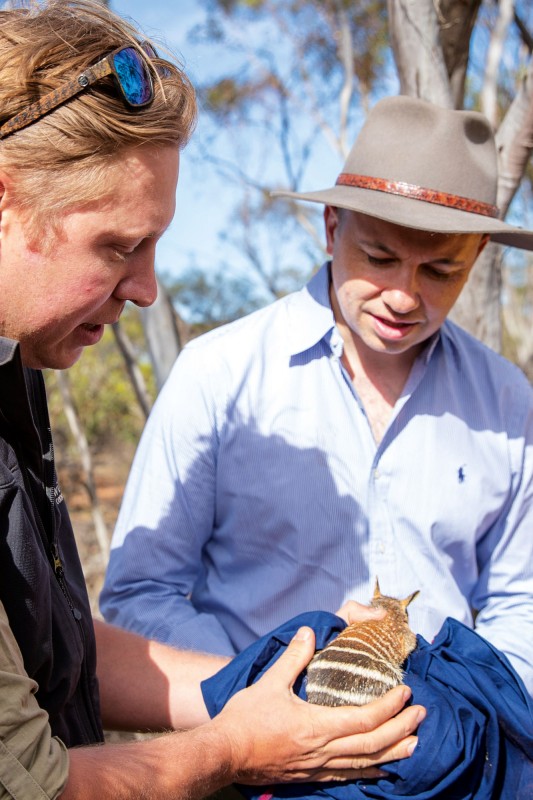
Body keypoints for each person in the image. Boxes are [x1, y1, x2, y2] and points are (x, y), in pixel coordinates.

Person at [0, 4, 426, 799]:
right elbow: (31, 785)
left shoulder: (17, 369)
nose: (147, 288)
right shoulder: (215, 370)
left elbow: (50, 642)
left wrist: (266, 685)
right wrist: (232, 750)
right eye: (118, 246)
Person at [101, 94, 533, 699]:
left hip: (447, 763)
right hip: (251, 768)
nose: (404, 297)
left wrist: (473, 715)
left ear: (478, 257)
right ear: (333, 229)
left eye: (440, 271)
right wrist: (258, 695)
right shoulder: (219, 373)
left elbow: (521, 603)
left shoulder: (507, 401)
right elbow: (139, 595)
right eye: (380, 258)